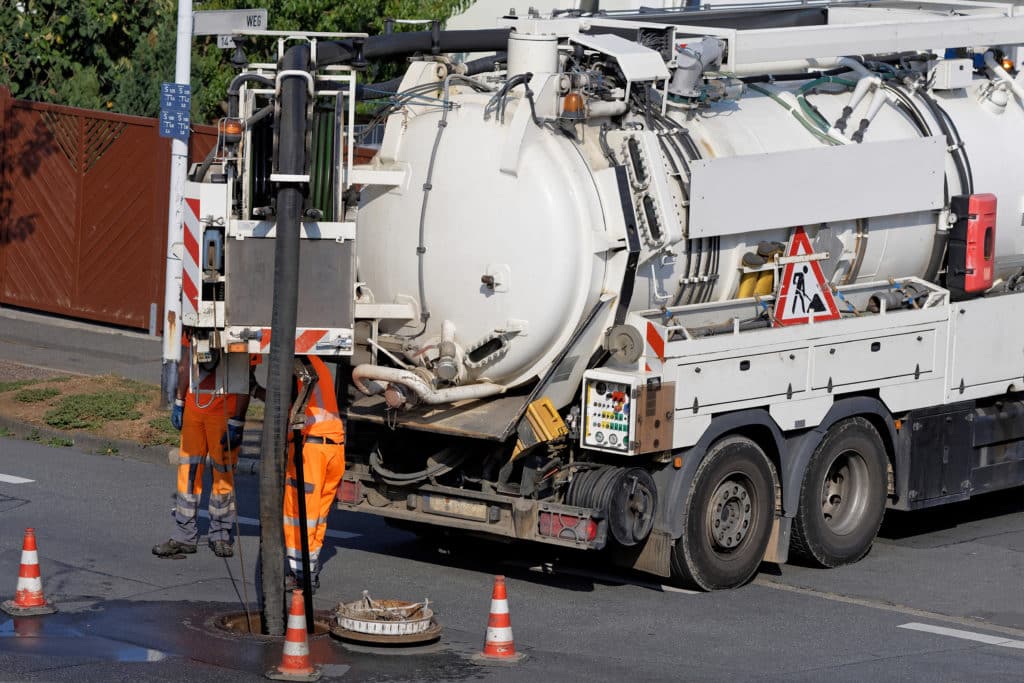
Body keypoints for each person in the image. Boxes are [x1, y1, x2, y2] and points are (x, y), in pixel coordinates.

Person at [152, 334, 250, 559]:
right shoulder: (195, 329)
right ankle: (184, 534)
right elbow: (186, 363)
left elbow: (246, 377)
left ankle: (220, 534)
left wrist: (237, 419)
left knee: (223, 475)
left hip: (223, 412)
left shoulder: (238, 332)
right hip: (197, 412)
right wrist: (179, 401)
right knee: (188, 472)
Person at [275, 356, 346, 592]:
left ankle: (299, 574)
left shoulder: (296, 364)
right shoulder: (317, 364)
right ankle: (310, 568)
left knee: (298, 513)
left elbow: (283, 404)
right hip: (334, 447)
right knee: (317, 516)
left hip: (311, 450)